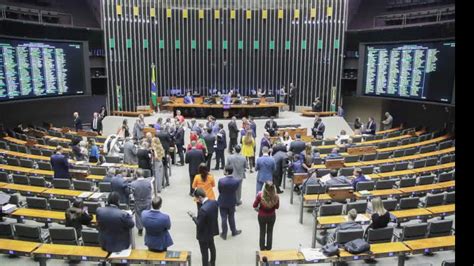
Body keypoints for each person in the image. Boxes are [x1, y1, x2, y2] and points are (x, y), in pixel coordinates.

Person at [188, 188, 219, 266]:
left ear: (200, 197)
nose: (196, 200)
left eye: (196, 198)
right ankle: (212, 262)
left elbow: (199, 223)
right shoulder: (214, 202)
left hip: (203, 235)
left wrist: (193, 216)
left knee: (204, 252)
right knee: (212, 247)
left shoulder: (203, 210)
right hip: (211, 230)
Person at [253, 181, 279, 251]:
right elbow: (277, 207)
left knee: (262, 231)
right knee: (270, 232)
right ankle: (269, 248)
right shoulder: (276, 196)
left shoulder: (260, 196)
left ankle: (262, 248)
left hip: (261, 216)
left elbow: (254, 205)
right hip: (272, 216)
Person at [217, 166, 242, 240]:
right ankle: (234, 231)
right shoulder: (236, 181)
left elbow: (220, 190)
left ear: (227, 172)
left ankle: (224, 234)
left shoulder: (221, 181)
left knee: (223, 218)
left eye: (224, 170)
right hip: (232, 201)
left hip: (223, 201)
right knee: (231, 216)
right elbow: (236, 189)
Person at [130, 169, 152, 236]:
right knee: (147, 215)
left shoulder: (133, 183)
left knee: (138, 215)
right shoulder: (149, 182)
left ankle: (140, 230)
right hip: (147, 201)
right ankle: (148, 229)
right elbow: (152, 190)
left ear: (136, 175)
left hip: (138, 201)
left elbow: (131, 194)